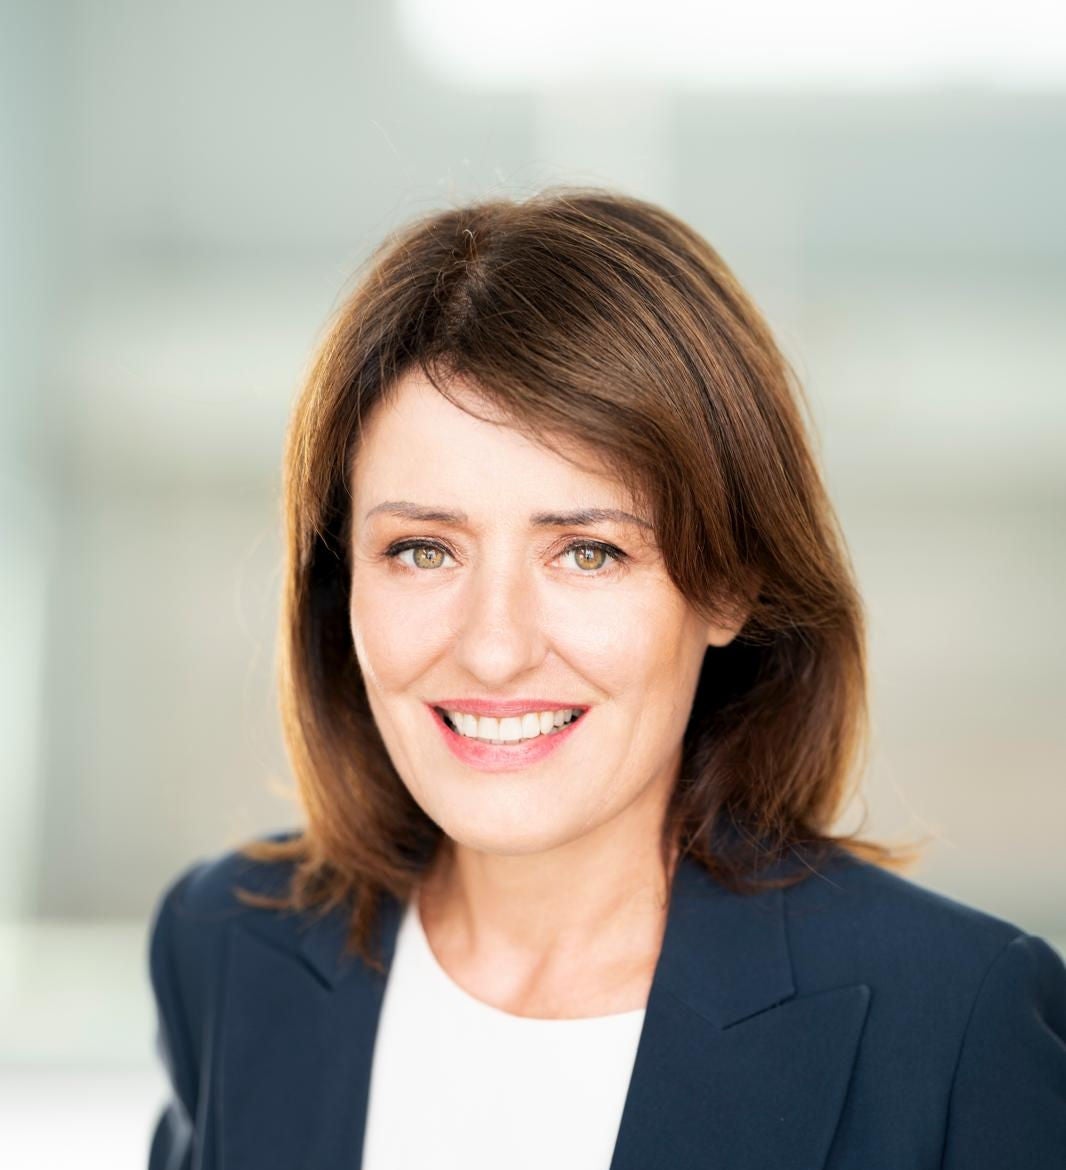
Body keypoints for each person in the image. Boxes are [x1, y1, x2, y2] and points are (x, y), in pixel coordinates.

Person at [146, 188, 1066, 1170]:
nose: (493, 649)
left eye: (588, 553)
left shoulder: (953, 1024)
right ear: (341, 583)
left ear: (728, 586)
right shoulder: (227, 946)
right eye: (422, 550)